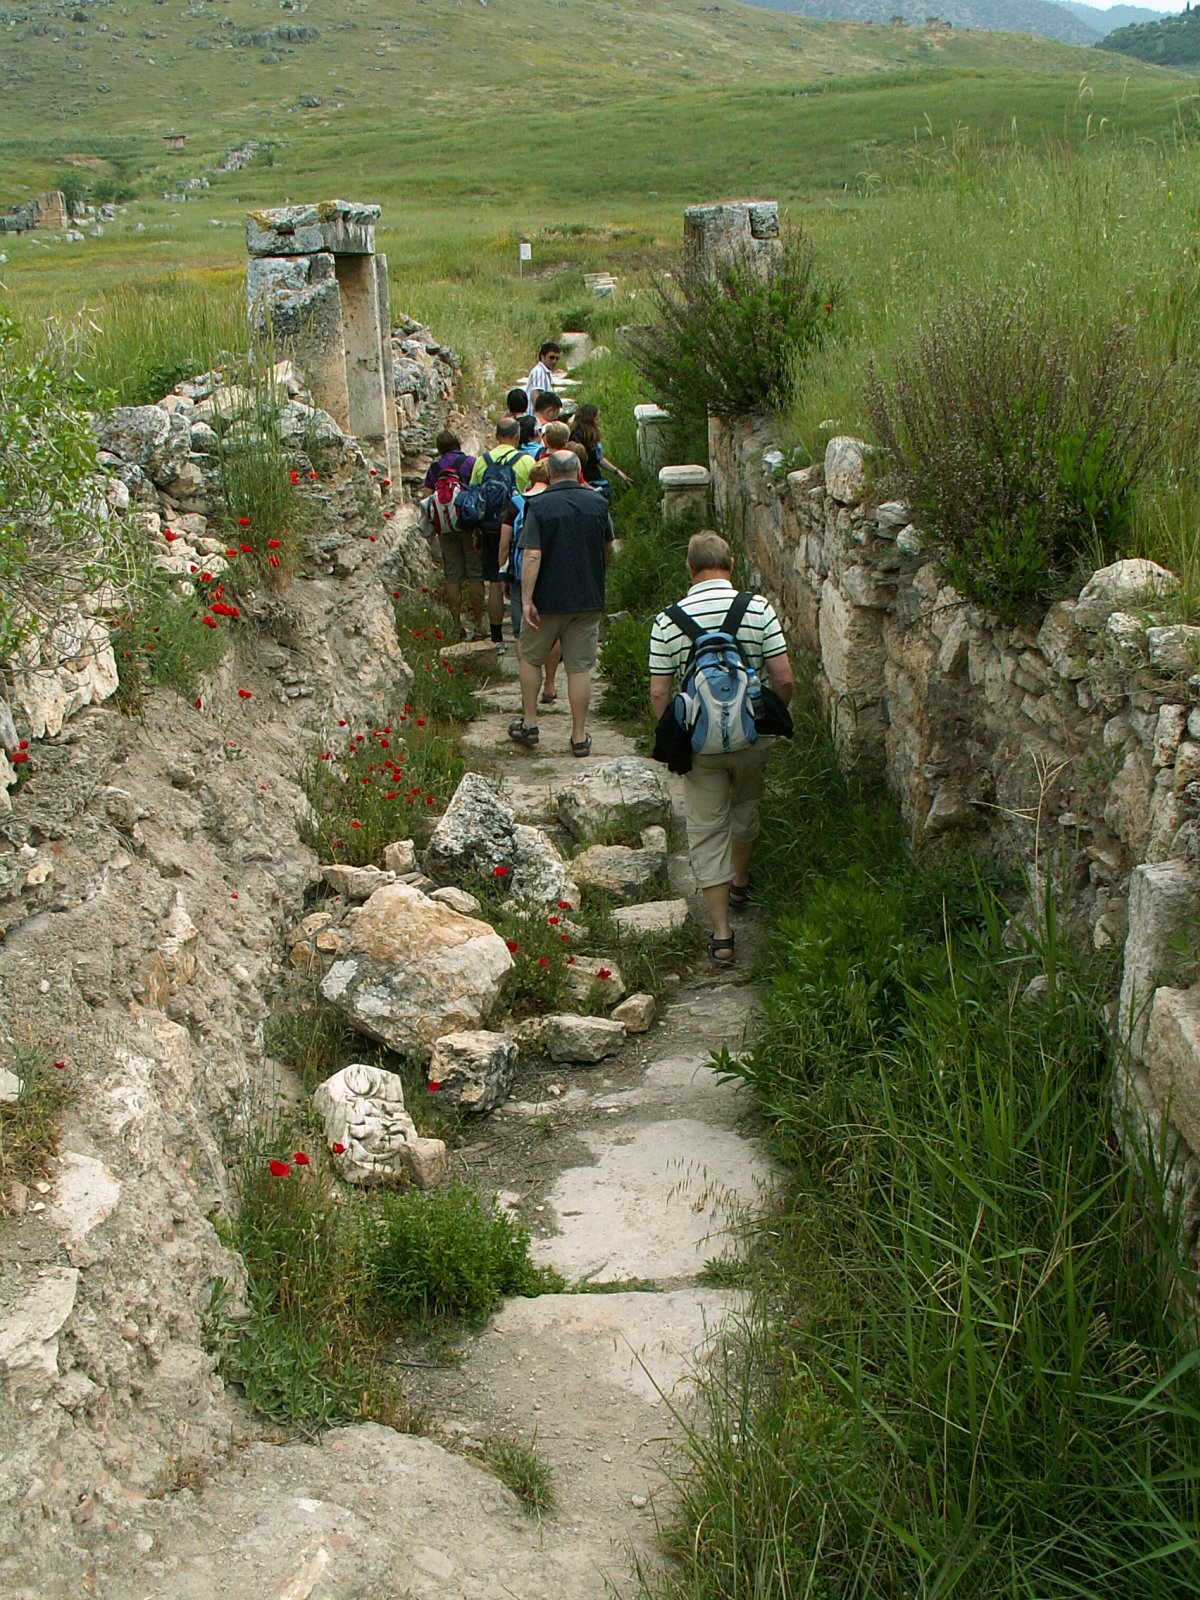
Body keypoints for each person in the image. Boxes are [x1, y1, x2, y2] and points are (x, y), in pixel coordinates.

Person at [648, 531, 793, 967]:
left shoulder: (667, 620)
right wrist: (766, 720)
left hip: (700, 744)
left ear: (689, 571)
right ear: (730, 566)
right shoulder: (757, 607)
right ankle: (741, 881)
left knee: (708, 828)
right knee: (745, 807)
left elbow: (660, 692)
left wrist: (671, 737)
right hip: (752, 737)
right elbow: (783, 678)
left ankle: (722, 934)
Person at [509, 450, 614, 756]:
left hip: (546, 599)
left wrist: (527, 599)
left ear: (550, 473)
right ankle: (579, 736)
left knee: (530, 658)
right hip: (587, 597)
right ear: (579, 469)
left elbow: (532, 554)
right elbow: (608, 547)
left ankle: (530, 723)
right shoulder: (598, 502)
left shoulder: (538, 506)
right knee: (579, 668)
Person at [498, 460, 561, 704]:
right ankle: (550, 684)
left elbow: (505, 544)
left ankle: (527, 689)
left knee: (521, 633)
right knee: (553, 634)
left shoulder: (516, 503)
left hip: (519, 574)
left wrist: (502, 572)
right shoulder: (556, 502)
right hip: (552, 575)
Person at [468, 417, 535, 648]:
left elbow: (474, 496)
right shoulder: (526, 461)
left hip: (489, 527)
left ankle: (497, 638)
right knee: (521, 575)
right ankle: (527, 629)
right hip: (518, 525)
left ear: (496, 436)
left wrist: (476, 530)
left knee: (494, 580)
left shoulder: (481, 462)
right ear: (517, 436)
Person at [569, 403, 632, 496]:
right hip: (587, 479)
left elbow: (599, 458)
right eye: (597, 419)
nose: (599, 422)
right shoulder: (577, 438)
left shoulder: (591, 436)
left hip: (594, 477)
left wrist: (617, 472)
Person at [422, 428, 475, 493]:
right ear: (458, 443)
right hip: (466, 502)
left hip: (442, 502)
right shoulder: (470, 462)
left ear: (439, 447)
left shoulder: (434, 468)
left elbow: (427, 494)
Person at [525, 341, 563, 409]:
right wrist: (540, 417)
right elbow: (535, 395)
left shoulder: (544, 372)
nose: (554, 361)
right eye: (551, 357)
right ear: (542, 357)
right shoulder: (539, 372)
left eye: (557, 358)